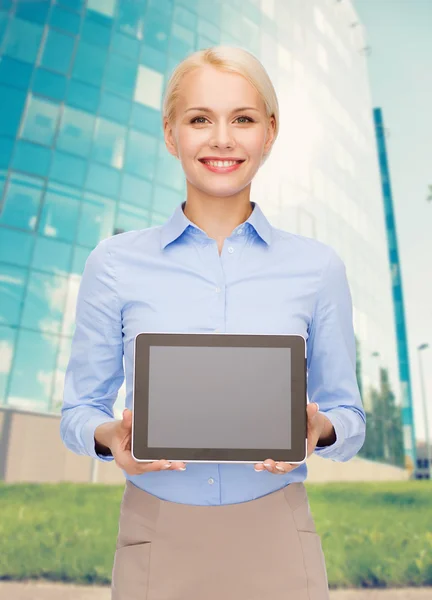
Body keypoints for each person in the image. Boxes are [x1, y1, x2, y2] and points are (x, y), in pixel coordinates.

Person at [60, 45, 366, 600]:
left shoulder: (318, 269)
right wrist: (110, 438)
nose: (222, 139)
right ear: (171, 133)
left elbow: (349, 415)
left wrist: (318, 428)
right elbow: (79, 410)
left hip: (278, 535)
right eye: (200, 119)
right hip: (156, 535)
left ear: (269, 133)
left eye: (243, 119)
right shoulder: (114, 263)